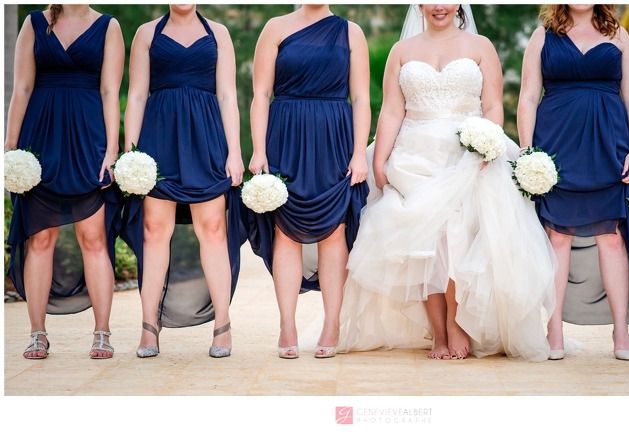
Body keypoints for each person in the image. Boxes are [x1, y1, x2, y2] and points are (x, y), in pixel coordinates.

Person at [306, 4, 557, 362]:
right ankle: (439, 333)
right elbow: (392, 110)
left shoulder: (481, 46)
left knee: (455, 236)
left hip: (467, 154)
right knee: (424, 242)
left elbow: (492, 107)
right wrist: (380, 157)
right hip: (414, 154)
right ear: (419, 5)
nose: (439, 5)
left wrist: (487, 141)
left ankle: (457, 324)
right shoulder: (402, 51)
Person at [518, 4, 629, 360]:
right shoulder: (542, 36)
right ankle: (555, 328)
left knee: (612, 236)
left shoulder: (618, 34)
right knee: (558, 236)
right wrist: (528, 151)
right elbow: (529, 96)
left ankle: (621, 331)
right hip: (556, 145)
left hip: (610, 144)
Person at [247, 4, 370, 359]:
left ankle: (332, 323)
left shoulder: (351, 32)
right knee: (285, 232)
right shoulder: (274, 27)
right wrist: (258, 149)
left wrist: (359, 153)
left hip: (334, 137)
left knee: (334, 231)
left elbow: (360, 98)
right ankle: (287, 323)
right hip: (285, 135)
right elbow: (260, 96)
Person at [122, 4, 245, 358]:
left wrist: (234, 151)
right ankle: (148, 327)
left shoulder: (218, 33)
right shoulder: (147, 34)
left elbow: (227, 96)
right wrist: (131, 154)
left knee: (213, 229)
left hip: (207, 139)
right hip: (159, 140)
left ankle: (223, 324)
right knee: (154, 232)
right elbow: (137, 95)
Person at [5, 4, 123, 359]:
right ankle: (37, 334)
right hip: (39, 139)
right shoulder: (33, 23)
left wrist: (112, 150)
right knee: (41, 239)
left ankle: (102, 332)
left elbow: (109, 92)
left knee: (94, 238)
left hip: (89, 139)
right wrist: (10, 148)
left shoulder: (108, 26)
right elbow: (22, 88)